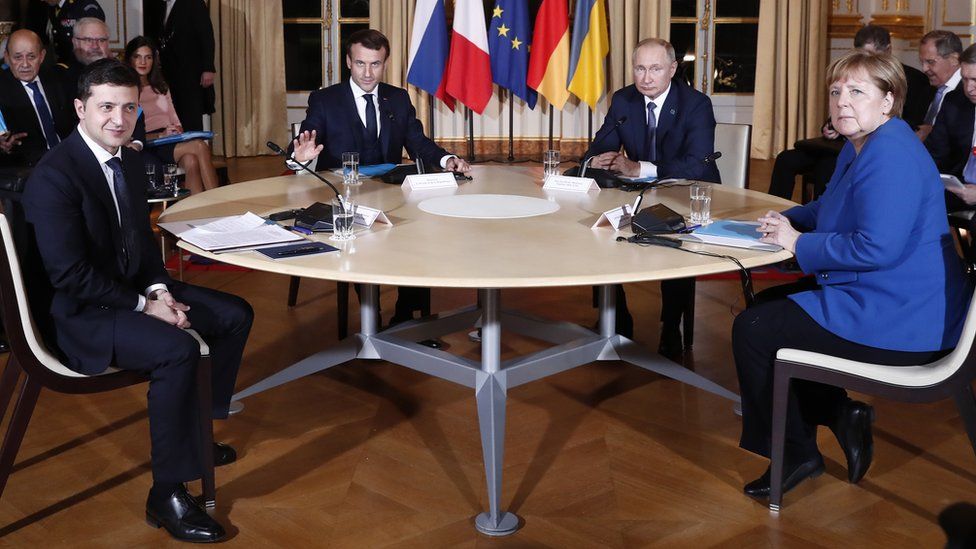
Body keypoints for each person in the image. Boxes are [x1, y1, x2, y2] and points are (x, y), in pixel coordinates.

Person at [21, 58, 252, 542]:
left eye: (128, 108)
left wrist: (160, 290)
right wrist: (145, 306)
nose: (119, 120)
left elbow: (142, 250)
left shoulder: (126, 158)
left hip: (130, 291)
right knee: (178, 350)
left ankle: (197, 435)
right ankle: (166, 493)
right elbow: (69, 275)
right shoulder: (54, 175)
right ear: (81, 108)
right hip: (82, 313)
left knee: (234, 314)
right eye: (106, 107)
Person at [733, 50, 969, 500]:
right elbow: (833, 206)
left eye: (857, 91)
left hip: (906, 319)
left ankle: (798, 452)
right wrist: (789, 220)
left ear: (888, 100)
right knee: (766, 311)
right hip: (884, 296)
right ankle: (840, 413)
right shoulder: (864, 143)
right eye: (836, 91)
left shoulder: (892, 154)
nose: (842, 102)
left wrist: (797, 242)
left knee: (755, 329)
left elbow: (876, 247)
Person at [291, 29, 470, 325]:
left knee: (419, 234)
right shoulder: (325, 100)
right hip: (342, 198)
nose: (368, 72)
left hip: (392, 193)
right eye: (361, 63)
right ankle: (371, 321)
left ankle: (407, 319)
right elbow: (303, 141)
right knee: (363, 241)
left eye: (375, 64)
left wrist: (446, 159)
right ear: (349, 62)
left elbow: (418, 143)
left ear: (385, 63)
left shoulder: (397, 98)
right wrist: (300, 156)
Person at [583, 37, 720, 353]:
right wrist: (597, 159)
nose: (646, 78)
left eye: (655, 69)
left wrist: (638, 168)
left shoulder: (696, 104)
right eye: (639, 68)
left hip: (689, 193)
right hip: (638, 192)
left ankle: (671, 325)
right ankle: (616, 317)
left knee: (676, 241)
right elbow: (599, 146)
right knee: (598, 232)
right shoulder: (624, 100)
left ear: (672, 69)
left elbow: (695, 165)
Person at [768, 24, 934, 201]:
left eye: (873, 56)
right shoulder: (848, 79)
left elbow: (911, 123)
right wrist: (829, 126)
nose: (841, 101)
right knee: (786, 159)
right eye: (835, 92)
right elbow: (840, 107)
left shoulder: (914, 81)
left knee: (827, 167)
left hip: (860, 144)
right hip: (840, 143)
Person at [124, 36, 220, 194]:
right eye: (138, 57)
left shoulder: (160, 86)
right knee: (199, 146)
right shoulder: (126, 89)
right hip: (149, 143)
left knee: (191, 160)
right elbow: (132, 135)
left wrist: (176, 130)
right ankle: (217, 201)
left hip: (170, 139)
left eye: (148, 57)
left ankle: (195, 214)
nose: (143, 62)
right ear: (130, 59)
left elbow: (174, 118)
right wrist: (161, 135)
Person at [0, 29, 74, 167]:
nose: (25, 64)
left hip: (70, 159)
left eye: (31, 56)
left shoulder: (60, 78)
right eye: (17, 57)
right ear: (7, 57)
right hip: (28, 167)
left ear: (42, 56)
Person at [146, 0, 216, 132]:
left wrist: (208, 68)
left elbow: (206, 36)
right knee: (174, 116)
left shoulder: (193, 3)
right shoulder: (157, 6)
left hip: (190, 73)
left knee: (191, 117)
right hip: (167, 72)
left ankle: (196, 149)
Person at [926, 43, 976, 213]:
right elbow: (935, 153)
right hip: (958, 187)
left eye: (975, 80)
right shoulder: (955, 101)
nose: (969, 88)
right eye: (964, 79)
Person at [917, 30, 962, 141]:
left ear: (954, 59)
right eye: (922, 62)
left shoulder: (969, 93)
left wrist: (932, 131)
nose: (924, 69)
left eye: (930, 62)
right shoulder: (927, 90)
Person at [32, 0, 105, 64]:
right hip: (63, 68)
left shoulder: (86, 7)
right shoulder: (53, 7)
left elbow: (93, 48)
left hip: (82, 70)